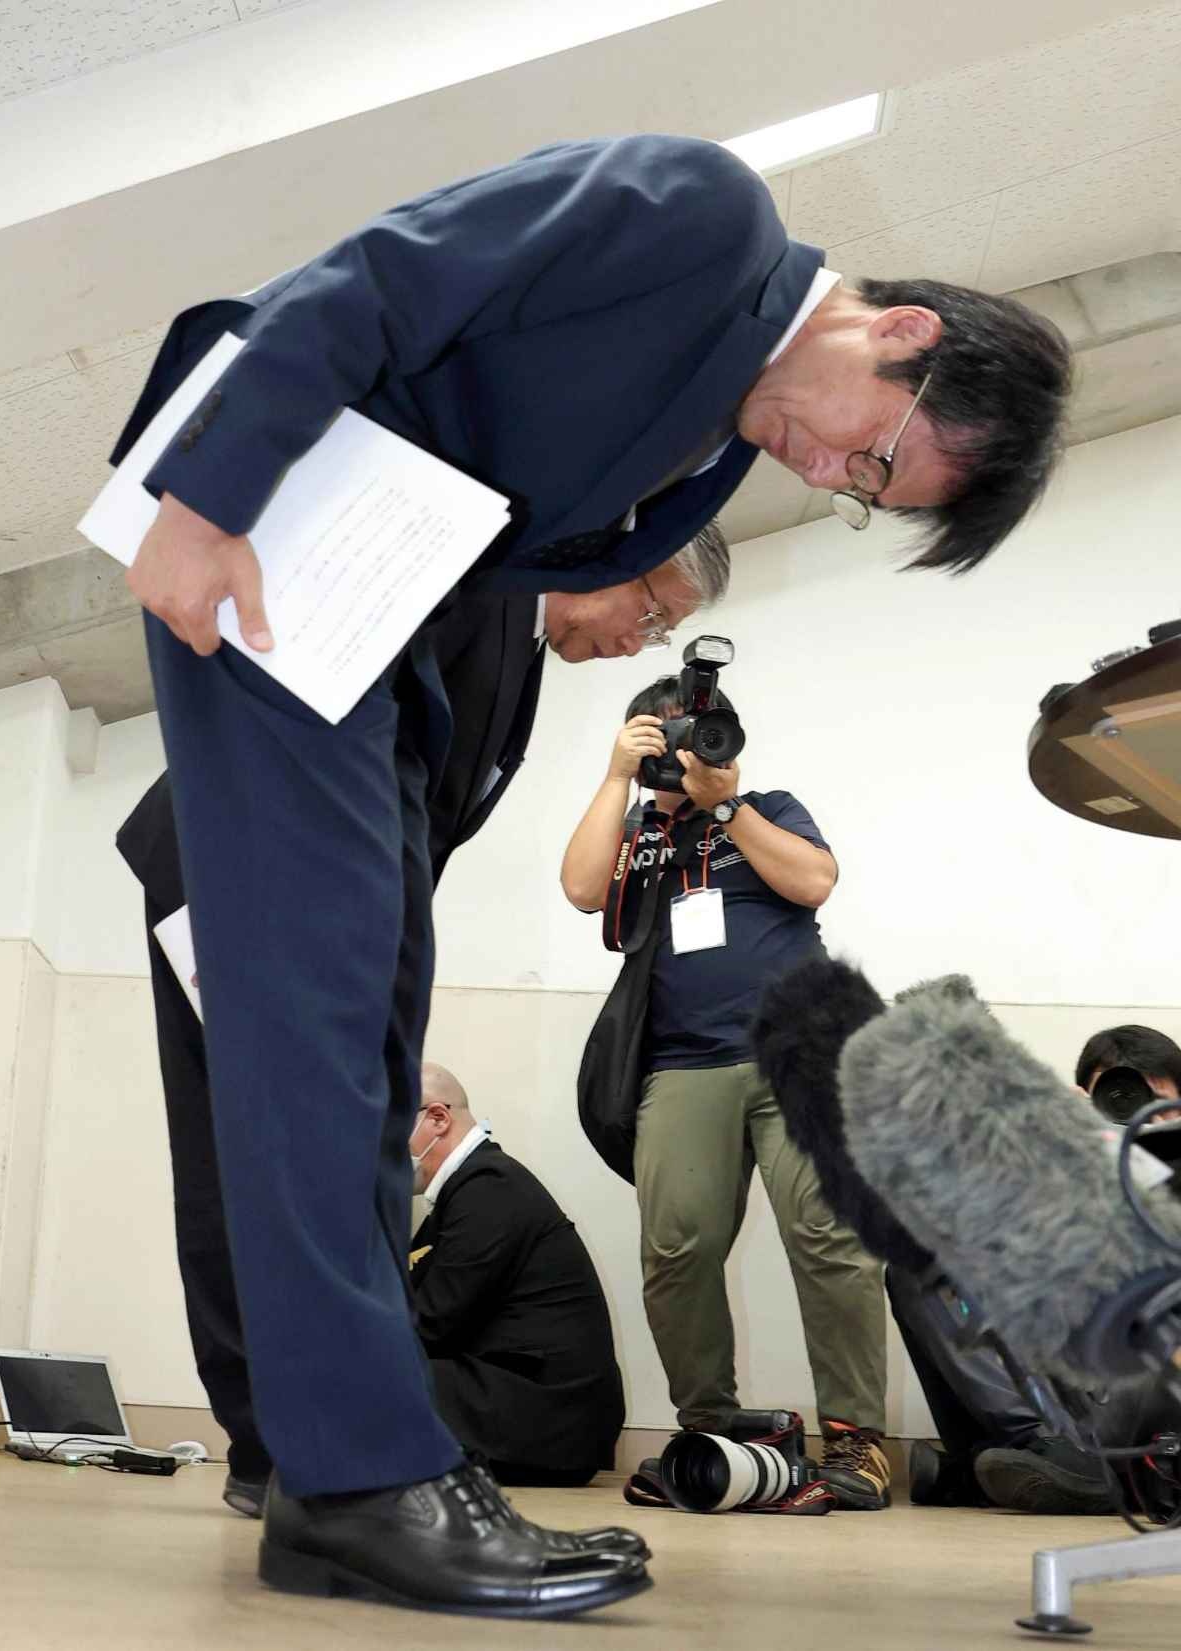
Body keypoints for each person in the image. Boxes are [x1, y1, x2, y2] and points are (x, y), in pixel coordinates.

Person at [114, 134, 1071, 1618]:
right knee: (312, 1047)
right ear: (901, 331)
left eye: (862, 494)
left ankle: (351, 1472)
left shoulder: (712, 439)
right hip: (276, 551)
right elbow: (376, 281)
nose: (830, 473)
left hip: (373, 641)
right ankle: (359, 1483)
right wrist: (206, 495)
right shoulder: (704, 214)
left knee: (370, 1056)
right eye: (873, 456)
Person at [115, 533, 726, 1517]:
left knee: (288, 1163)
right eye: (652, 614)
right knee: (254, 1164)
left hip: (292, 887)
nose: (639, 643)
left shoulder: (520, 643)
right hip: (247, 867)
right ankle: (278, 1450)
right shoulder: (478, 591)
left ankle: (290, 1447)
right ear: (621, 551)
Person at [561, 676, 891, 1511]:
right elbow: (581, 889)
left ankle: (856, 1440)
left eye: (697, 734)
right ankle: (708, 1428)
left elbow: (815, 882)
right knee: (675, 1248)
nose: (685, 752)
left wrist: (727, 804)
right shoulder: (636, 833)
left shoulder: (769, 807)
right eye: (666, 737)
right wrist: (615, 777)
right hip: (681, 1062)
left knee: (830, 1236)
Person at [896, 1024, 1181, 1514]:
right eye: (1119, 1100)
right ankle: (1040, 1449)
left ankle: (1007, 1471)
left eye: (1159, 1104)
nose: (1141, 1117)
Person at [410, 1064, 625, 1487]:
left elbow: (431, 1322)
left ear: (437, 1118)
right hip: (530, 1404)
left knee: (364, 1378)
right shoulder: (472, 1189)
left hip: (545, 1417)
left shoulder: (489, 1188)